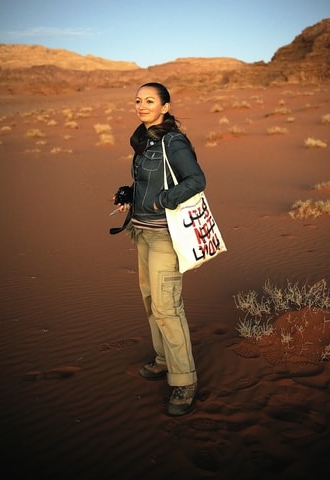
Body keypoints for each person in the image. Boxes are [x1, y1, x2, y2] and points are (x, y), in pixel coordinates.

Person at [112, 82, 206, 416]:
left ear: (165, 106)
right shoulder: (144, 140)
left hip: (167, 236)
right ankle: (164, 358)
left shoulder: (173, 141)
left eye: (149, 101)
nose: (141, 105)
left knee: (168, 306)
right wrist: (129, 193)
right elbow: (150, 180)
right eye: (138, 100)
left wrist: (162, 201)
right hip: (143, 233)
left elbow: (196, 180)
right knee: (151, 300)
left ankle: (184, 380)